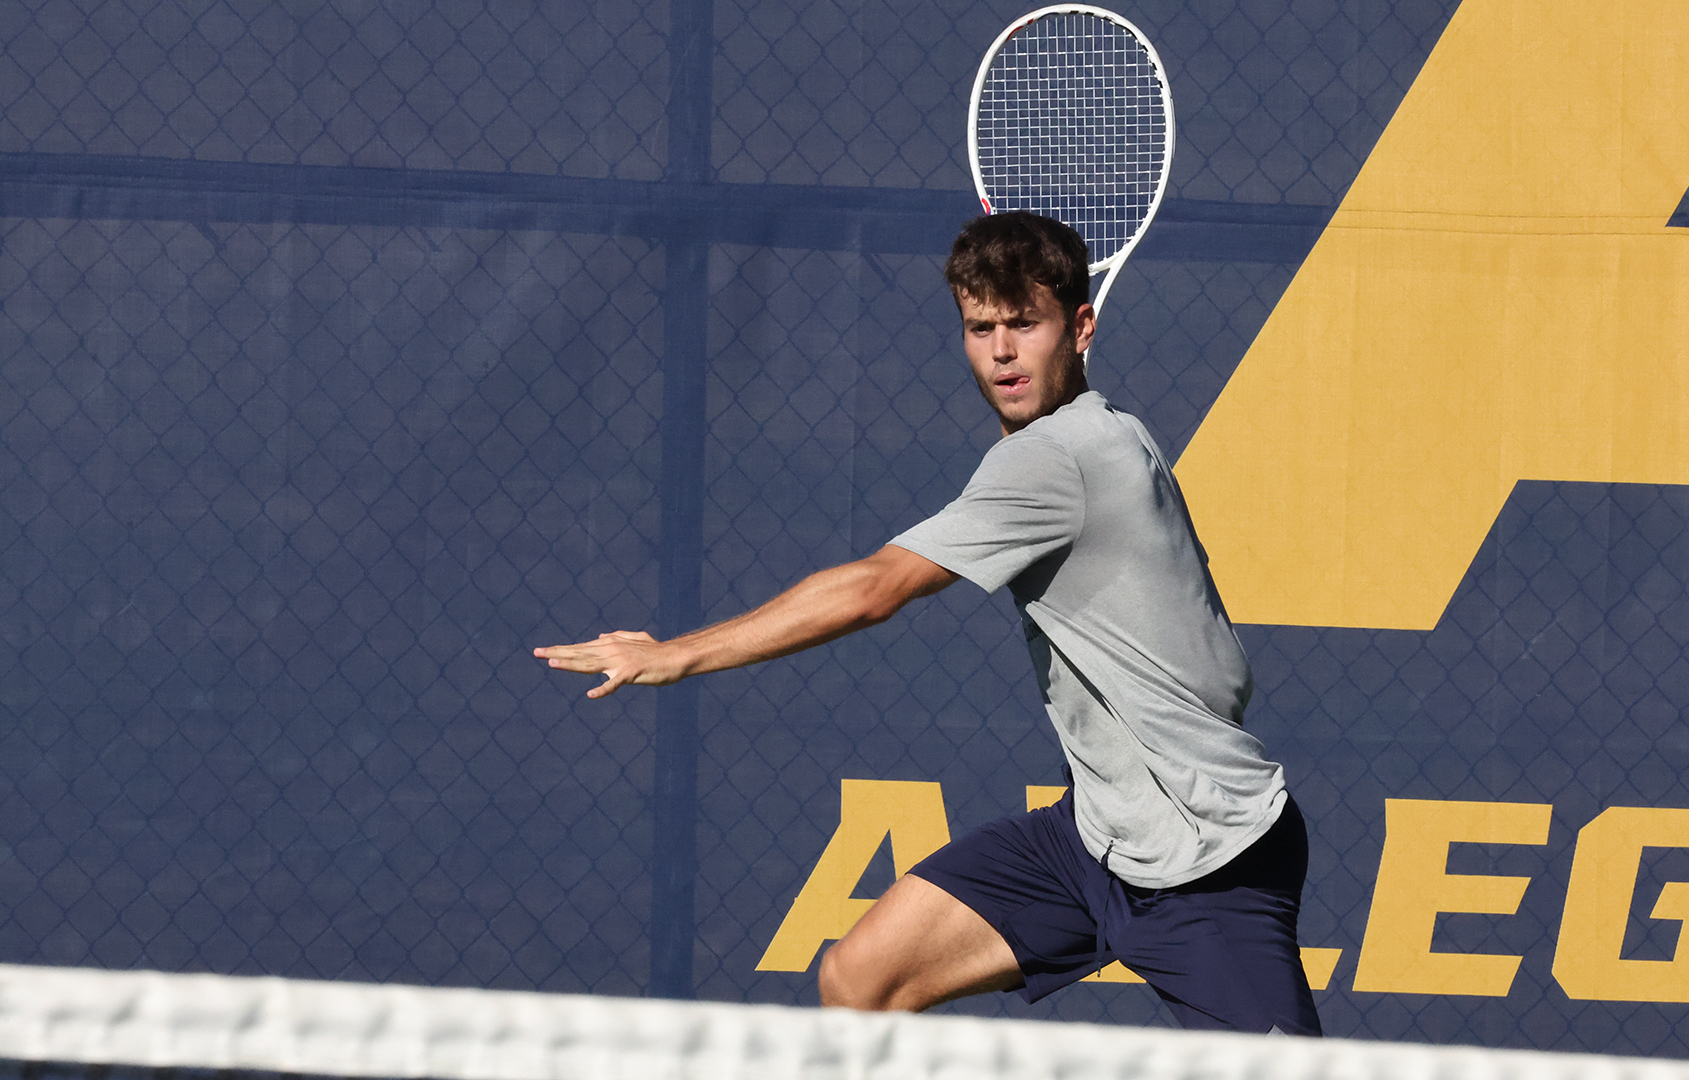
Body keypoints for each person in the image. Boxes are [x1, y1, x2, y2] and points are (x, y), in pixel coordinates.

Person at [534, 211, 1321, 1036]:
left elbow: (880, 586)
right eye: (982, 328)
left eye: (1026, 323)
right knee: (862, 978)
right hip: (1099, 835)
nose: (1003, 352)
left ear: (1080, 327)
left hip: (1207, 860)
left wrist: (676, 655)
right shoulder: (1112, 429)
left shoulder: (1059, 457)